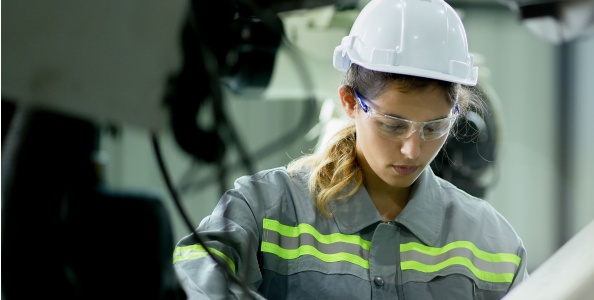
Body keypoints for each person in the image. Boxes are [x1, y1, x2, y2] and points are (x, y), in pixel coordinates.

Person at [170, 0, 529, 299]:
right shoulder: (264, 209)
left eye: (434, 128)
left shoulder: (493, 244)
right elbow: (190, 276)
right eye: (393, 124)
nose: (411, 149)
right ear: (350, 102)